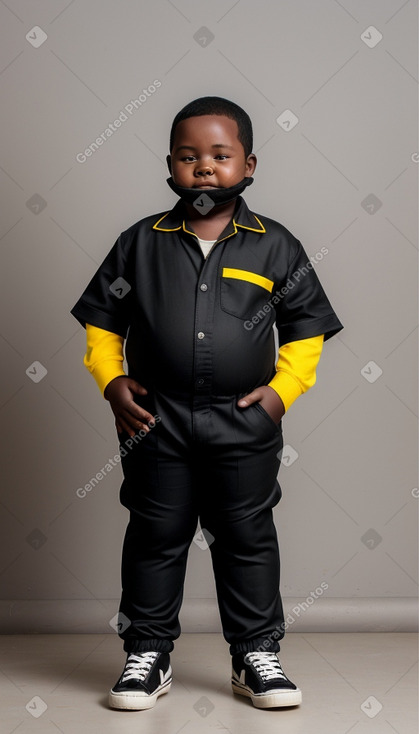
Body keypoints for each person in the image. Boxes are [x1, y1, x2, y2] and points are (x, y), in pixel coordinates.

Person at [70, 96, 343, 711]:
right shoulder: (139, 244)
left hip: (244, 422)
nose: (203, 169)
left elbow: (305, 330)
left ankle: (255, 656)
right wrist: (111, 383)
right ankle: (147, 654)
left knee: (247, 536)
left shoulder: (276, 246)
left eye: (219, 157)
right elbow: (102, 324)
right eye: (189, 157)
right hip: (154, 422)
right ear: (169, 164)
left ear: (249, 165)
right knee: (154, 534)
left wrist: (280, 396)